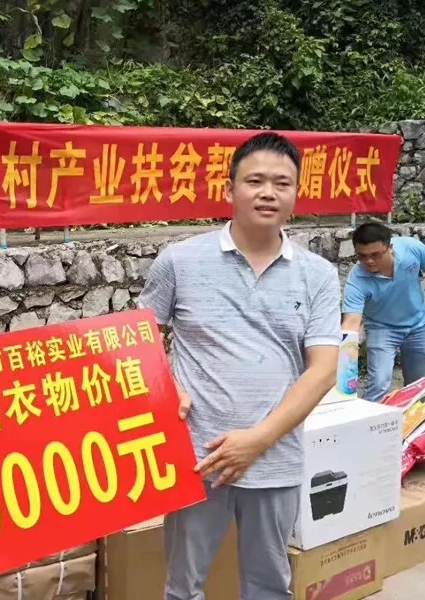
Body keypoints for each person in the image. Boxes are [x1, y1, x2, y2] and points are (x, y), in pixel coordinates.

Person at [139, 132, 340, 600]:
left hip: (276, 458)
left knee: (269, 584)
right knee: (183, 585)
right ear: (229, 189)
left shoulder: (318, 274)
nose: (268, 193)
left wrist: (258, 439)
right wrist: (164, 384)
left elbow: (323, 370)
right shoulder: (180, 261)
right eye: (255, 181)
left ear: (296, 194)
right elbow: (140, 338)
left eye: (282, 183)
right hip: (196, 456)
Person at [342, 222, 425, 402]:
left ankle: (415, 418)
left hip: (419, 325)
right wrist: (343, 368)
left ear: (390, 248)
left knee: (420, 387)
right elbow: (351, 322)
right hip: (381, 329)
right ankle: (370, 418)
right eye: (362, 256)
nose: (369, 261)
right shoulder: (357, 280)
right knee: (379, 383)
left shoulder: (411, 248)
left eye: (375, 255)